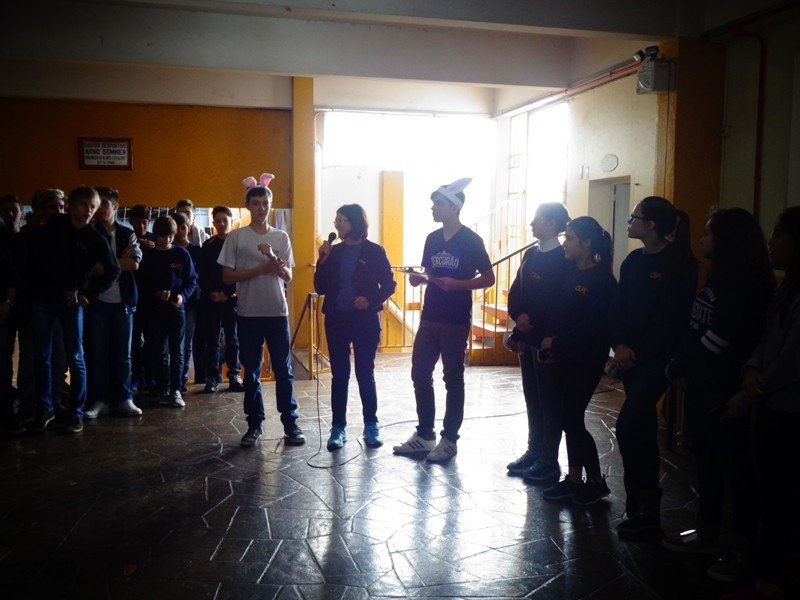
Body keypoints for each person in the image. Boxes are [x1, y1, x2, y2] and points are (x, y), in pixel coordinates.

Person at [662, 208, 773, 580]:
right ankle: (707, 531)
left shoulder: (744, 282)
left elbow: (718, 338)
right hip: (702, 383)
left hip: (722, 388)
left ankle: (743, 549)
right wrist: (682, 364)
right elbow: (697, 328)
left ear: (727, 240)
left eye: (708, 233)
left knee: (735, 468)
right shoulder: (719, 276)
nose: (702, 239)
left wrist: (678, 367)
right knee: (706, 461)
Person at [607, 196, 698, 536]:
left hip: (657, 359)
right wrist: (619, 345)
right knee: (641, 427)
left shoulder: (680, 263)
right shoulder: (634, 260)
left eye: (635, 217)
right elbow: (618, 307)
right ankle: (641, 508)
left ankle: (647, 502)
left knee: (630, 425)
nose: (629, 222)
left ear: (651, 225)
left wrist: (634, 353)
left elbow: (670, 321)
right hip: (630, 356)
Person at [724, 206, 800, 599]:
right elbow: (769, 339)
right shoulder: (788, 286)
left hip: (790, 407)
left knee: (780, 494)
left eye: (780, 234)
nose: (772, 242)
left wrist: (751, 389)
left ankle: (772, 578)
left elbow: (791, 358)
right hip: (772, 401)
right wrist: (753, 366)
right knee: (772, 489)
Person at [393, 178, 495, 462]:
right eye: (433, 203)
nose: (433, 208)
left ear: (455, 207)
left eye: (438, 203)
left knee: (453, 377)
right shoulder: (432, 239)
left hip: (455, 319)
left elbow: (489, 278)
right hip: (430, 316)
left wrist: (459, 285)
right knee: (420, 372)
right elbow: (432, 273)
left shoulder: (472, 240)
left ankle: (450, 439)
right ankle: (425, 435)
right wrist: (420, 279)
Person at [218, 173, 304, 448]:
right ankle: (254, 425)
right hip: (248, 315)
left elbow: (288, 276)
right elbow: (227, 277)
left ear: (270, 205)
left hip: (277, 313)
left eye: (265, 203)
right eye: (255, 203)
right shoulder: (236, 237)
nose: (261, 208)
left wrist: (273, 260)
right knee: (252, 371)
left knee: (283, 370)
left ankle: (290, 424)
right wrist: (260, 269)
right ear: (248, 206)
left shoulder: (281, 237)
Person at [26, 185, 121, 434]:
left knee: (76, 358)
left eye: (92, 206)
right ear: (71, 206)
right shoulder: (56, 224)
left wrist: (88, 293)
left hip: (72, 303)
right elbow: (44, 259)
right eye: (83, 205)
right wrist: (67, 283)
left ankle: (77, 414)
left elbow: (113, 270)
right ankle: (44, 410)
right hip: (44, 297)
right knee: (42, 357)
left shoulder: (96, 237)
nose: (88, 211)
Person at [538, 217, 617, 504]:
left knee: (571, 416)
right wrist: (550, 343)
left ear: (587, 243)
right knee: (567, 417)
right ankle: (574, 479)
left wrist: (557, 344)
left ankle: (594, 480)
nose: (564, 243)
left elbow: (592, 327)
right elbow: (558, 312)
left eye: (570, 238)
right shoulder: (570, 271)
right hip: (563, 355)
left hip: (585, 358)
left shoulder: (603, 280)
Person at [314, 204, 396, 450]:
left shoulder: (375, 251)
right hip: (337, 319)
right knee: (339, 374)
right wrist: (322, 260)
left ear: (355, 223)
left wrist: (370, 300)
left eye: (341, 220)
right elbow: (320, 287)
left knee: (364, 372)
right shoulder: (334, 252)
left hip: (365, 321)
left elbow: (389, 285)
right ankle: (338, 427)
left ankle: (371, 425)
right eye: (336, 221)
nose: (336, 225)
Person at [505, 202, 570, 483]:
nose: (532, 224)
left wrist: (530, 322)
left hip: (545, 340)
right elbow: (516, 291)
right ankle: (533, 451)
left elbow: (557, 301)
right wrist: (518, 316)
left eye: (537, 219)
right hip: (527, 337)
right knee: (532, 398)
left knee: (549, 400)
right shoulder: (531, 254)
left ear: (552, 224)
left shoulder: (564, 258)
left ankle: (548, 459)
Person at [83, 187, 143, 419]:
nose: (99, 208)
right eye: (97, 204)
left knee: (123, 354)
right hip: (97, 300)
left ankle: (124, 398)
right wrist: (119, 261)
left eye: (104, 203)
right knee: (98, 353)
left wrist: (107, 264)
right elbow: (92, 267)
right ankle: (100, 400)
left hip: (123, 302)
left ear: (116, 207)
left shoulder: (127, 233)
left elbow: (134, 263)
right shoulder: (89, 232)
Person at [136, 215, 196, 408]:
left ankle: (176, 389)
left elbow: (191, 282)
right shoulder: (148, 256)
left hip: (176, 309)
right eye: (163, 236)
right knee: (159, 350)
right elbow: (141, 285)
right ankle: (163, 388)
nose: (166, 240)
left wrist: (182, 297)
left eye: (170, 236)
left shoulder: (181, 254)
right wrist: (156, 294)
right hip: (155, 310)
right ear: (157, 235)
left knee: (177, 351)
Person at [200, 205, 244, 393]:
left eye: (224, 220)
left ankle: (234, 375)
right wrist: (211, 292)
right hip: (211, 299)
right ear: (213, 223)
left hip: (231, 299)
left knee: (232, 338)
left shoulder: (237, 244)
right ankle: (212, 377)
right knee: (212, 339)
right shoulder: (208, 246)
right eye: (217, 221)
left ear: (230, 220)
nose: (221, 224)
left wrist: (227, 292)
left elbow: (240, 271)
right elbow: (202, 274)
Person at [173, 211, 202, 390]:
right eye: (176, 228)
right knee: (171, 344)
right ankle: (171, 379)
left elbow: (198, 275)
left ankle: (182, 378)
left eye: (183, 227)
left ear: (189, 228)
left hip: (190, 301)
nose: (180, 232)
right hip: (171, 302)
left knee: (186, 342)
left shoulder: (196, 251)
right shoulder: (169, 250)